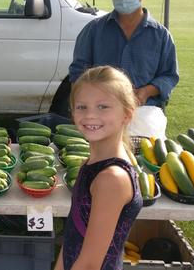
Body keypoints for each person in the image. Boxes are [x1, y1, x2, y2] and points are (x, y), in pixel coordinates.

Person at [55, 65, 142, 270]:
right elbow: (71, 235)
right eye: (82, 106)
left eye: (103, 106)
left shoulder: (111, 179)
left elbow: (89, 264)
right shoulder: (92, 163)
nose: (90, 115)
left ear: (126, 115)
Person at [69, 0, 179, 109]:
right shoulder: (93, 31)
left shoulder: (161, 35)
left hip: (145, 110)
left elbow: (169, 75)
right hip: (102, 110)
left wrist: (146, 92)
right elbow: (78, 72)